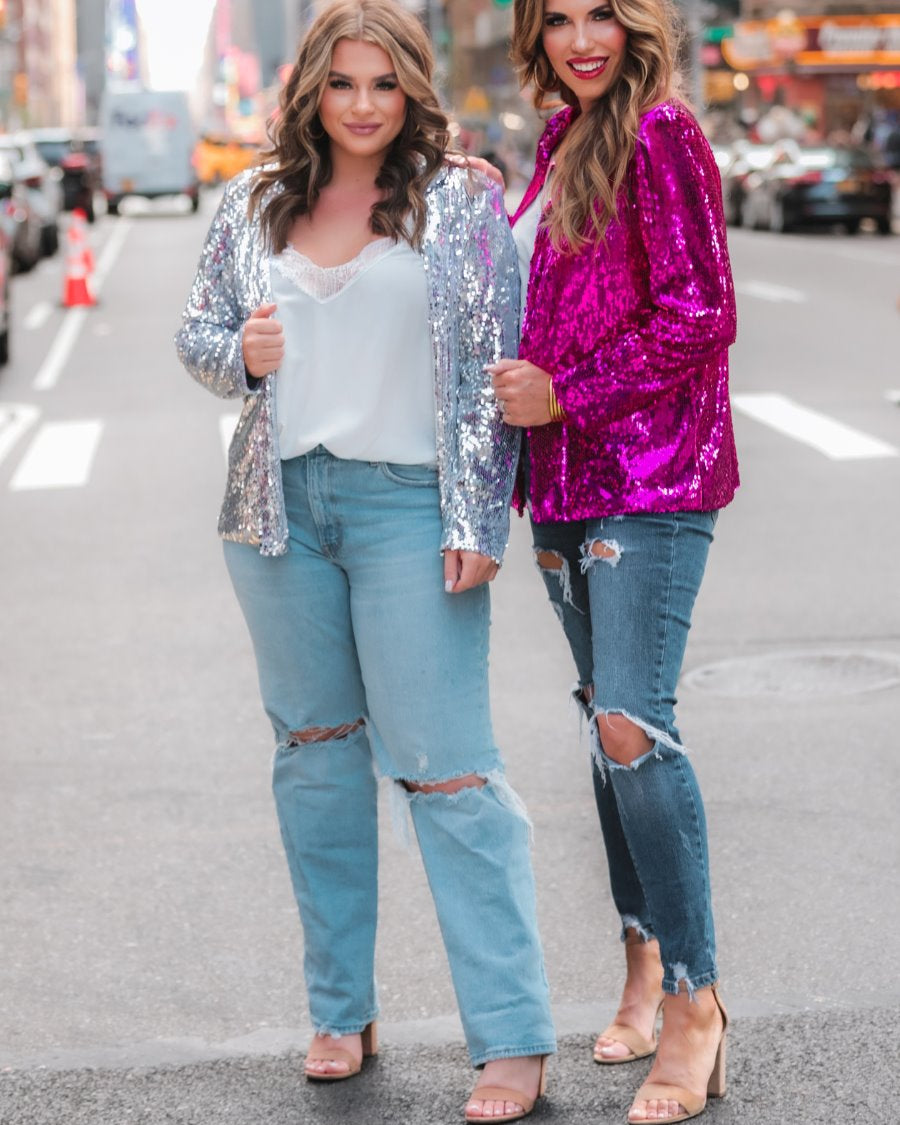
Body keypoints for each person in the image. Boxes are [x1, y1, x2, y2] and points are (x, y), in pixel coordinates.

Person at [175, 2, 555, 1120]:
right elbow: (199, 337)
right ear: (312, 90)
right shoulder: (254, 199)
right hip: (280, 515)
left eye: (384, 83)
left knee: (449, 770)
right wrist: (241, 356)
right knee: (316, 760)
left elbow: (493, 364)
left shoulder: (460, 200)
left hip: (408, 508)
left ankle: (512, 1036)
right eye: (342, 83)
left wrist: (478, 521)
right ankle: (341, 1010)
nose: (362, 105)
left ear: (412, 90)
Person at [490, 0, 739, 1122]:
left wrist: (567, 394)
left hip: (653, 474)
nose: (581, 38)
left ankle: (694, 1000)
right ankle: (641, 963)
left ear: (638, 21)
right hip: (564, 480)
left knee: (634, 722)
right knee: (605, 723)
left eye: (602, 12)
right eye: (558, 18)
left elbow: (701, 312)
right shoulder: (560, 138)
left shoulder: (663, 132)